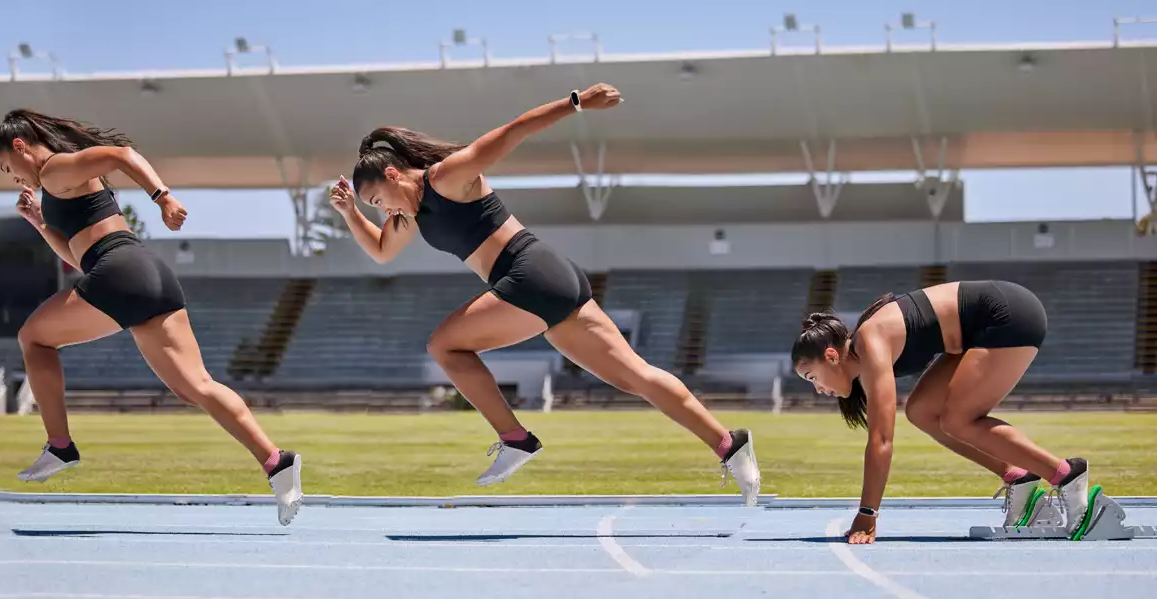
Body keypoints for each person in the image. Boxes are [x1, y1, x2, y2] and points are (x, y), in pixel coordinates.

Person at [327, 83, 761, 504]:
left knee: (444, 345)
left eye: (379, 201)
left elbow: (512, 131)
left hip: (528, 272)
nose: (384, 211)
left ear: (392, 173)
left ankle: (515, 439)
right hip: (549, 278)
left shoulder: (447, 177)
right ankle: (729, 444)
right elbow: (382, 252)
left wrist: (577, 102)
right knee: (635, 376)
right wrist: (349, 213)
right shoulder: (411, 215)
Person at [0, 109, 303, 526]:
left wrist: (163, 198)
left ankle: (60, 445)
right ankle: (277, 462)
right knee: (198, 387)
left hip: (119, 271)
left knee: (34, 338)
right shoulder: (61, 182)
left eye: (8, 167)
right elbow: (80, 256)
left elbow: (122, 154)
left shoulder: (53, 170)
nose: (13, 177)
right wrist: (39, 223)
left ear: (20, 146)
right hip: (145, 272)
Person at [791, 280, 1090, 544]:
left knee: (959, 420)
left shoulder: (870, 342)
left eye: (811, 377)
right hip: (973, 332)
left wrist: (868, 514)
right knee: (921, 411)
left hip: (1007, 313)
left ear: (831, 356)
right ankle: (1018, 478)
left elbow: (881, 441)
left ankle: (1066, 474)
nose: (817, 389)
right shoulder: (865, 349)